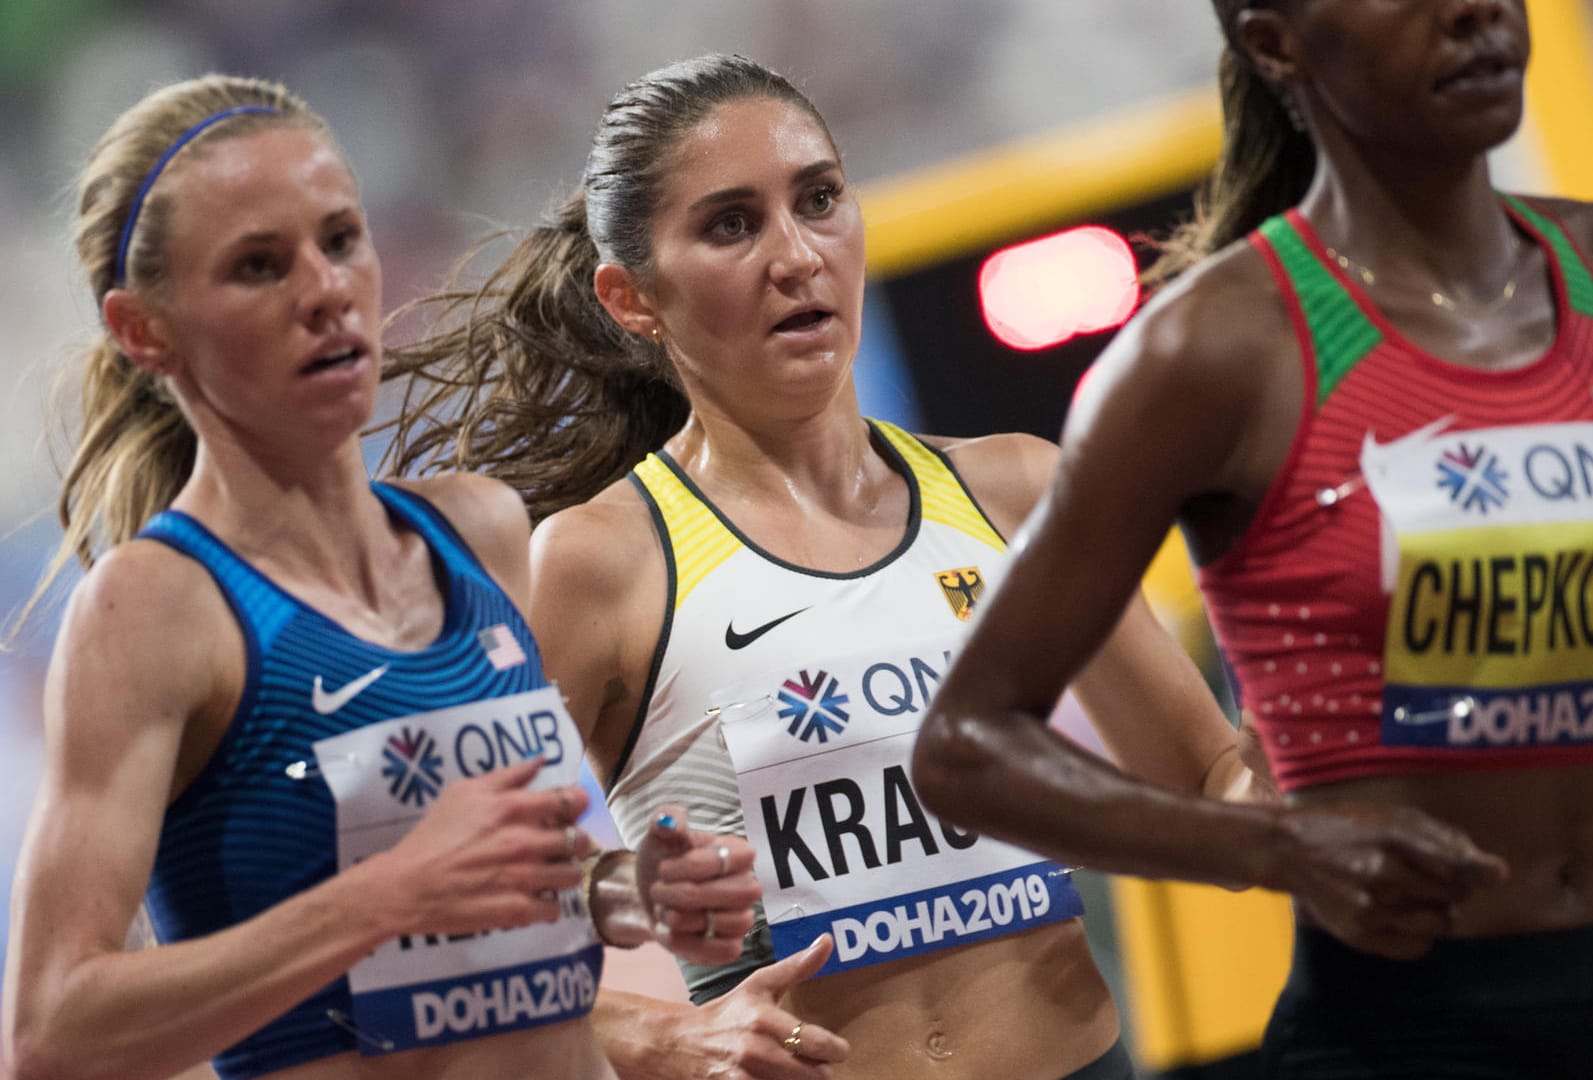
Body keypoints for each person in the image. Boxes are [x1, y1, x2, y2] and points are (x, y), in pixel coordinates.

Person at [914, 2, 1593, 1077]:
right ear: (1274, 38)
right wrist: (1274, 847)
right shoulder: (1215, 350)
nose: (1476, 10)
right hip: (1406, 1032)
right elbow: (966, 747)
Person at [381, 52, 1293, 1080]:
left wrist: (1335, 734)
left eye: (819, 200)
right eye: (732, 224)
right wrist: (651, 1034)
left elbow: (1214, 784)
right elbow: (424, 917)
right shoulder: (600, 561)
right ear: (631, 297)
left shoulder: (1018, 493)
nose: (797, 254)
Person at [0, 74, 761, 1080]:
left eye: (340, 239)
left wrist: (630, 895)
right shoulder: (159, 606)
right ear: (145, 330)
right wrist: (385, 896)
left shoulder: (477, 532)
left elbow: (508, 886)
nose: (323, 289)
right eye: (258, 266)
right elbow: (50, 1032)